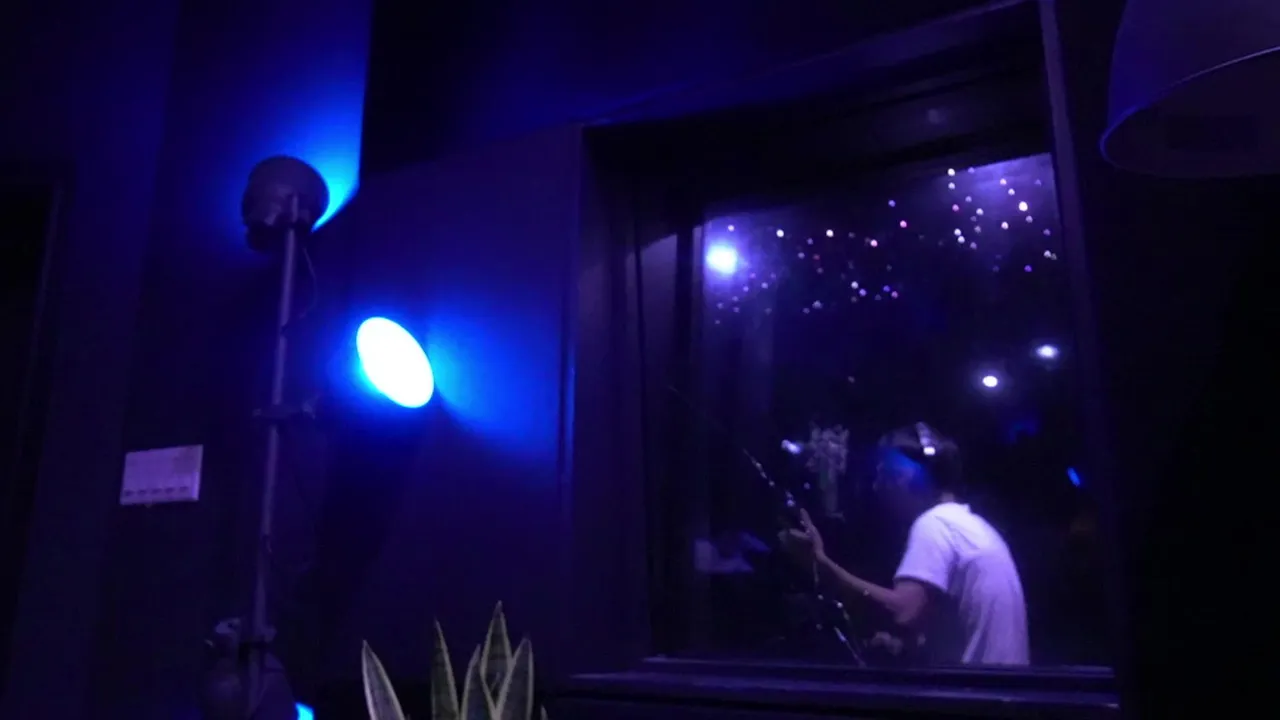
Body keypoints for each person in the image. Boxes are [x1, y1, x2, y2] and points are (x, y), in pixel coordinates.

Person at [780, 422, 1029, 665]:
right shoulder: (973, 526)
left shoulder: (935, 524)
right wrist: (906, 647)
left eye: (883, 475)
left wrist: (819, 563)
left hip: (972, 693)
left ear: (904, 476)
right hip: (998, 689)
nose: (876, 487)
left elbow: (904, 612)